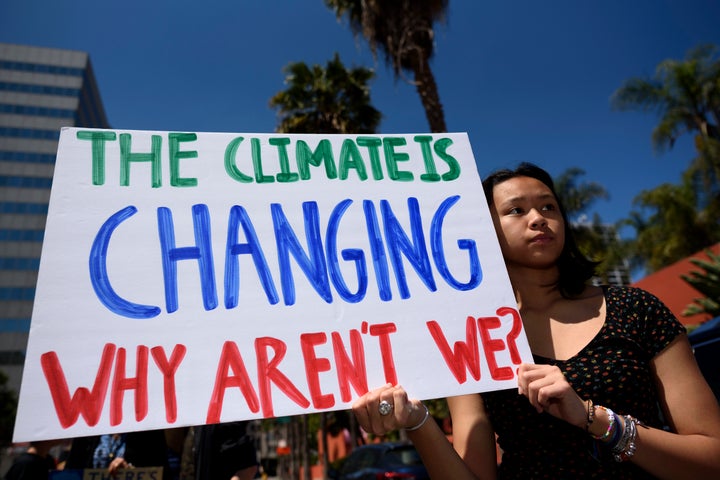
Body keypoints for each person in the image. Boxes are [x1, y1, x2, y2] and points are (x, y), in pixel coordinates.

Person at [351, 163, 720, 479]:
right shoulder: (472, 336)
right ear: (484, 229)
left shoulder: (636, 308)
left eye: (549, 207)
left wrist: (594, 418)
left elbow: (711, 460)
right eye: (516, 210)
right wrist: (418, 421)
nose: (538, 219)